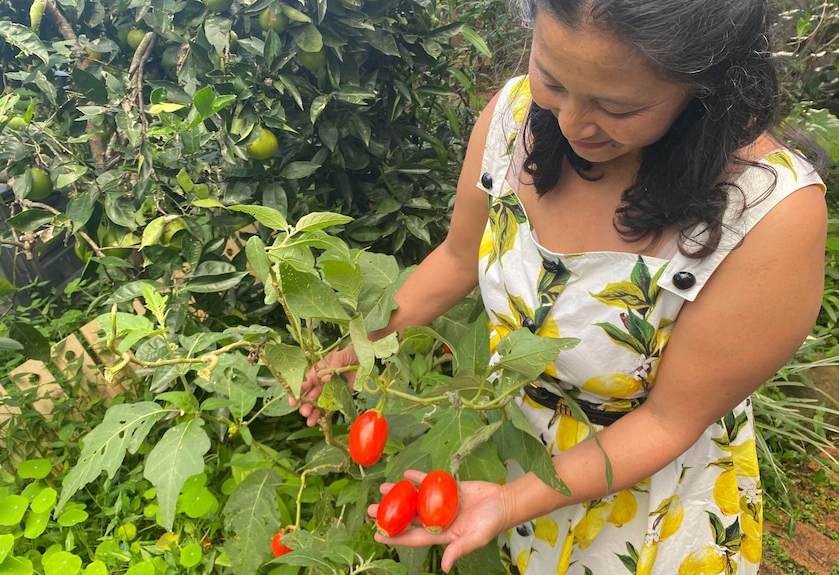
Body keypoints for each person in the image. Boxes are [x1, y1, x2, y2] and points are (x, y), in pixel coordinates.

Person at [295, 0, 828, 573]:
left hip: (644, 502)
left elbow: (668, 421)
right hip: (517, 448)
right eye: (553, 78)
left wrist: (510, 503)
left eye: (618, 107)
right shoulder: (513, 114)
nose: (572, 123)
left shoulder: (772, 216)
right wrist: (365, 343)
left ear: (706, 80)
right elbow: (455, 257)